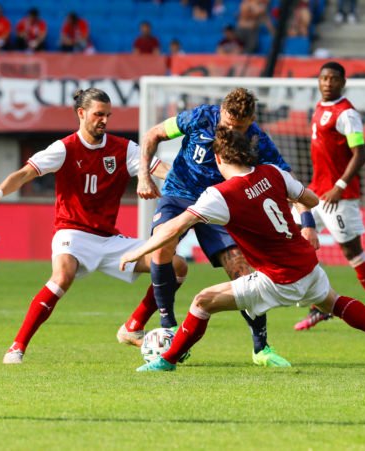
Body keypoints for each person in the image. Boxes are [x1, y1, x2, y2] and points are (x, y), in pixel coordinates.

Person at [121, 127, 365, 375]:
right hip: (308, 266)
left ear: (219, 158)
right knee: (334, 302)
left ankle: (166, 361)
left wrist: (137, 252)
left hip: (276, 279)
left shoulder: (219, 195)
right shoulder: (273, 172)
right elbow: (311, 200)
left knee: (202, 302)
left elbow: (174, 227)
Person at [0, 88, 172, 364]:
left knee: (175, 266)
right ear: (81, 114)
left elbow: (159, 169)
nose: (104, 120)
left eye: (107, 115)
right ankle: (17, 347)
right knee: (62, 275)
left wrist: (182, 181)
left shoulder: (124, 149)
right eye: (98, 114)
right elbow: (24, 173)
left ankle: (132, 327)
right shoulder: (64, 148)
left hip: (108, 238)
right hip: (72, 232)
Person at [117, 88, 296, 368]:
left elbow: (283, 176)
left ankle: (261, 348)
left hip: (223, 202)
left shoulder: (257, 139)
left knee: (241, 270)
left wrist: (302, 219)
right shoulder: (200, 117)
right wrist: (143, 177)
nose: (232, 131)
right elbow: (153, 134)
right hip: (179, 193)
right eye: (228, 124)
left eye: (239, 127)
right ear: (223, 112)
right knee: (164, 246)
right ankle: (170, 328)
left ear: (251, 120)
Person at [293, 61, 365, 331]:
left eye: (333, 79)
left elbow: (360, 154)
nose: (327, 83)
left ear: (343, 82)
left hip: (339, 196)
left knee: (352, 252)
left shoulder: (347, 114)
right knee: (297, 239)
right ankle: (321, 304)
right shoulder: (319, 108)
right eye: (324, 78)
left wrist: (340, 185)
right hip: (317, 190)